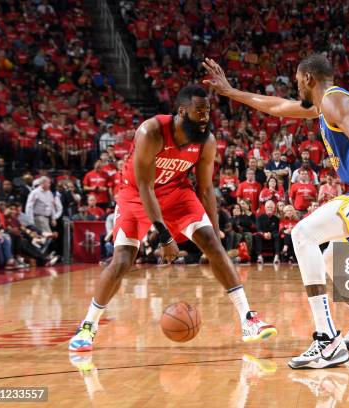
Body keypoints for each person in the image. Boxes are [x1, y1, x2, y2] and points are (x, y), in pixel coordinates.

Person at [204, 54, 349, 369]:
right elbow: (276, 106)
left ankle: (326, 340)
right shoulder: (325, 104)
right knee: (331, 260)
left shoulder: (332, 101)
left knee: (302, 234)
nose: (295, 86)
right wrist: (231, 92)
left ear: (308, 78)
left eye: (297, 80)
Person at [69, 85, 276, 352]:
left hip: (177, 193)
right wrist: (164, 236)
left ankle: (249, 319)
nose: (205, 116)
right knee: (122, 260)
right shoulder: (151, 131)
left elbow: (204, 189)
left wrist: (214, 229)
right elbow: (144, 186)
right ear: (182, 111)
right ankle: (88, 325)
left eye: (208, 111)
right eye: (199, 111)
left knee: (213, 245)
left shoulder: (206, 141)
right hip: (137, 195)